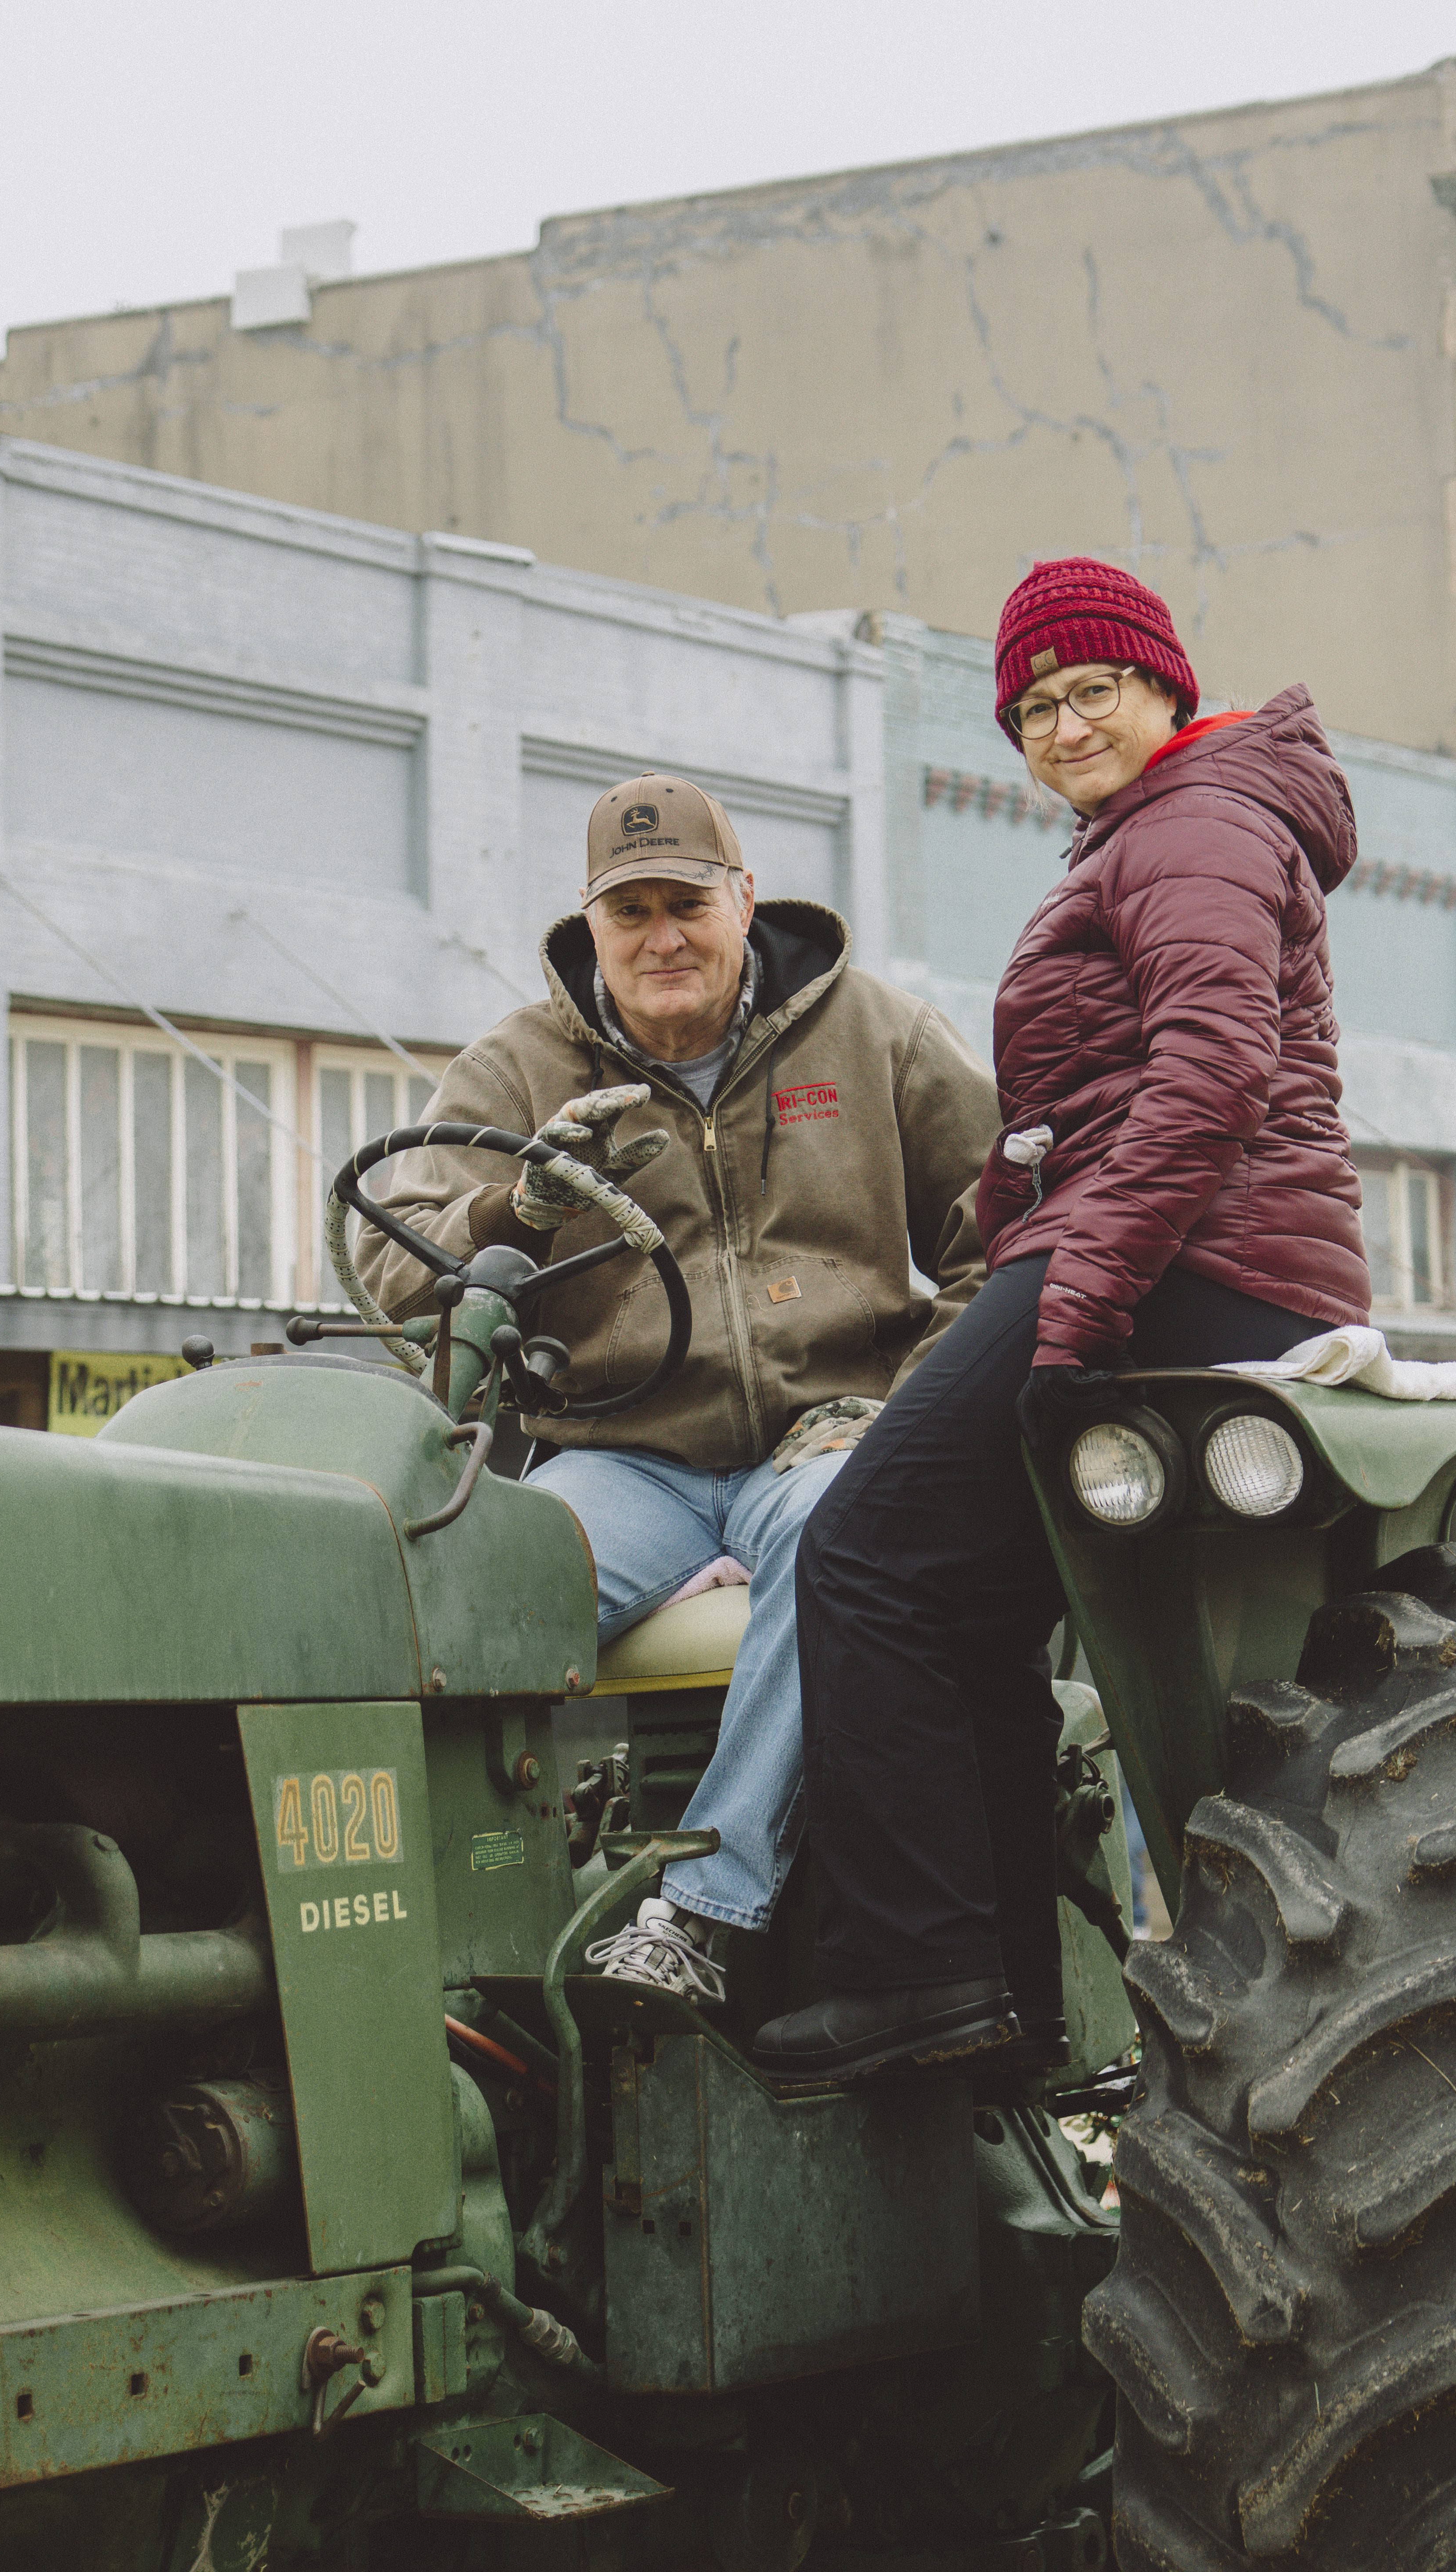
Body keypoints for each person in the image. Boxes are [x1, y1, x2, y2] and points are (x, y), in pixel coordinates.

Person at [753, 557, 1373, 2084]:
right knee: (966, 1606)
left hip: (1182, 1255)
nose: (1061, 724)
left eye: (1090, 688)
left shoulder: (1201, 821)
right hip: (1173, 1244)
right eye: (1030, 708)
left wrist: (1073, 1296)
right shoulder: (1161, 828)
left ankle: (913, 1974)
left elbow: (1212, 1073)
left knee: (860, 1554)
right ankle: (1003, 2005)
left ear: (1163, 683)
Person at [357, 772, 998, 2005]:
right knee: (465, 1593)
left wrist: (905, 1408)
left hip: (828, 1436)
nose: (662, 938)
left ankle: (700, 1908)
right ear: (590, 926)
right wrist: (517, 1206)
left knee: (847, 1542)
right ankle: (453, 1949)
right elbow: (398, 1256)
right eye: (629, 910)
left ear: (744, 900)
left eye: (686, 904)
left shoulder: (877, 1036)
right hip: (624, 1451)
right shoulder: (519, 1065)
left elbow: (1007, 1240)